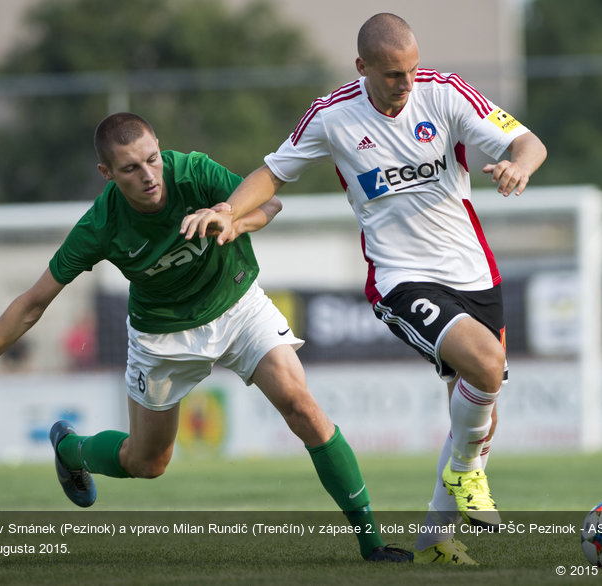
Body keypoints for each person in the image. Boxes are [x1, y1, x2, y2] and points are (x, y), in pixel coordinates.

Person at [0, 112, 411, 563]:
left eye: (152, 159)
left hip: (239, 306)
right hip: (163, 337)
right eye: (130, 168)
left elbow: (271, 203)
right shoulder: (100, 225)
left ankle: (372, 544)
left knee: (302, 406)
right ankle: (72, 450)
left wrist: (233, 218)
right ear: (106, 173)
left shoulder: (192, 171)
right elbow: (31, 303)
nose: (149, 175)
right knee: (147, 462)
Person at [181, 13, 547, 566]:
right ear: (363, 68)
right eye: (395, 74)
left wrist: (519, 167)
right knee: (487, 366)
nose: (407, 83)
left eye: (413, 69)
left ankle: (434, 541)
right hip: (400, 278)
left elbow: (528, 141)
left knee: (475, 409)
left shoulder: (444, 94)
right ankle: (469, 475)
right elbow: (273, 172)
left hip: (473, 272)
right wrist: (229, 209)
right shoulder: (332, 116)